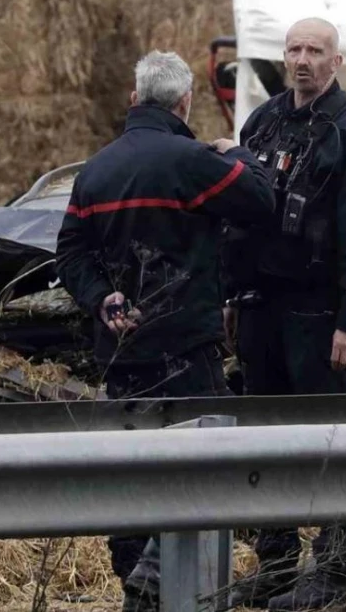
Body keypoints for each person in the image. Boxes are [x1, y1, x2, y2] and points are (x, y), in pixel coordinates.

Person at [54, 50, 275, 612]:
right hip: (186, 349)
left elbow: (70, 255)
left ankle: (137, 577)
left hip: (122, 353)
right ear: (185, 102)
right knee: (205, 466)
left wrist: (101, 296)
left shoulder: (95, 171)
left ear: (133, 99)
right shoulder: (193, 161)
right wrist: (241, 154)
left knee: (133, 472)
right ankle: (157, 581)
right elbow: (261, 200)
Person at [222, 17, 346, 612]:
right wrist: (232, 298)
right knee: (269, 443)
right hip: (263, 310)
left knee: (328, 441)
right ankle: (276, 565)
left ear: (335, 62)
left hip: (322, 315)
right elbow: (239, 219)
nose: (302, 60)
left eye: (315, 51)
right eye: (294, 49)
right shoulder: (263, 122)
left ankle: (339, 566)